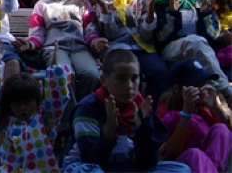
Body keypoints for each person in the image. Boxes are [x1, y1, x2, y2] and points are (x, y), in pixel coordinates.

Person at [62, 49, 190, 173]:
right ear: (104, 80)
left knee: (182, 169)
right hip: (92, 166)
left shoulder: (141, 109)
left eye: (134, 79)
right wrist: (108, 133)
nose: (129, 86)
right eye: (121, 79)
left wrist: (144, 131)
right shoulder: (88, 109)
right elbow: (90, 159)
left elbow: (146, 164)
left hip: (127, 167)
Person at [18, 0, 101, 105]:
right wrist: (29, 44)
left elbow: (90, 30)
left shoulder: (83, 4)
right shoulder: (43, 5)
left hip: (79, 48)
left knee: (91, 74)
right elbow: (38, 33)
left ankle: (83, 107)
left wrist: (95, 42)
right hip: (54, 48)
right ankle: (65, 117)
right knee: (64, 74)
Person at [0, 40, 72, 172]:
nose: (23, 107)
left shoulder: (46, 120)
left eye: (27, 102)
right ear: (9, 103)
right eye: (17, 103)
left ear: (36, 101)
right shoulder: (2, 119)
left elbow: (58, 96)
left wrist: (56, 68)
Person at [89, 0, 169, 105]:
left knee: (159, 71)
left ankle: (152, 111)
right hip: (117, 48)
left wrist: (151, 9)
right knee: (120, 73)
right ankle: (119, 109)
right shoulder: (105, 0)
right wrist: (105, 10)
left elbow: (146, 35)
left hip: (142, 48)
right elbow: (111, 34)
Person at [153, 0, 232, 102]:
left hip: (199, 48)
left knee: (198, 43)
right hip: (172, 50)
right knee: (194, 42)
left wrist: (205, 14)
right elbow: (160, 37)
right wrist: (172, 14)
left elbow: (213, 36)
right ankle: (227, 91)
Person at [157, 58, 232, 173]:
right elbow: (169, 151)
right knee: (195, 154)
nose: (202, 90)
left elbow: (225, 137)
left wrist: (215, 107)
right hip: (180, 164)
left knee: (221, 129)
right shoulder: (165, 109)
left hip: (208, 165)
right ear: (177, 89)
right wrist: (186, 112)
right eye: (196, 86)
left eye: (204, 85)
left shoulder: (204, 107)